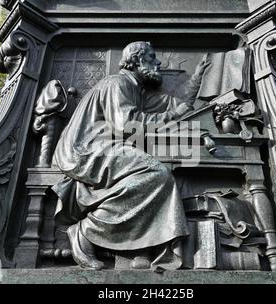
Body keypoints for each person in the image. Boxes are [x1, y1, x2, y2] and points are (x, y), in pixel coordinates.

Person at [52, 41, 209, 270]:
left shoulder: (135, 89)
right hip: (87, 149)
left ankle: (137, 247)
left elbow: (167, 109)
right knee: (157, 174)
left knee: (155, 174)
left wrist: (197, 78)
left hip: (104, 147)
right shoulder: (118, 83)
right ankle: (86, 231)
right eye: (153, 57)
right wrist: (174, 115)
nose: (158, 63)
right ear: (137, 60)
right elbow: (128, 124)